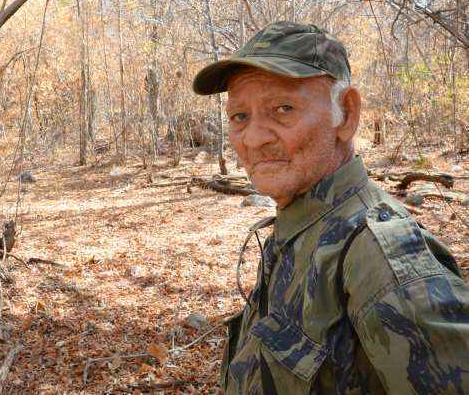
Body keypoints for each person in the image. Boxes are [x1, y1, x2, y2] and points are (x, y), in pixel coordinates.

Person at [192, 21, 469, 394]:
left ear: (346, 114)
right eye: (240, 116)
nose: (254, 138)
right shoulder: (302, 223)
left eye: (283, 108)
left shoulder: (380, 257)